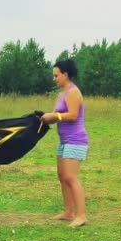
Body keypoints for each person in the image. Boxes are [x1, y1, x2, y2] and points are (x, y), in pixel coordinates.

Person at [41, 59, 89, 227]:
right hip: (65, 141)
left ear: (65, 75)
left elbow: (73, 115)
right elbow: (56, 116)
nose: (54, 79)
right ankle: (68, 212)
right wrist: (43, 118)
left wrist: (55, 116)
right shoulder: (62, 93)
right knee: (62, 177)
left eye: (56, 75)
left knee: (70, 177)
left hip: (76, 141)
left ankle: (81, 215)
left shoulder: (73, 92)